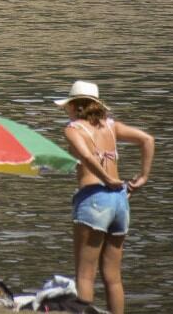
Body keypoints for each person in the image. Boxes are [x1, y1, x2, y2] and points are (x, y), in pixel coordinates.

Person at [58, 80, 155, 314]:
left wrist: (105, 178)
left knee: (85, 273)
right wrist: (143, 177)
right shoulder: (112, 126)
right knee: (113, 277)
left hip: (93, 198)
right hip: (120, 201)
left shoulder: (73, 129)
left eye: (67, 106)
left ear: (75, 106)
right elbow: (148, 140)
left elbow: (86, 156)